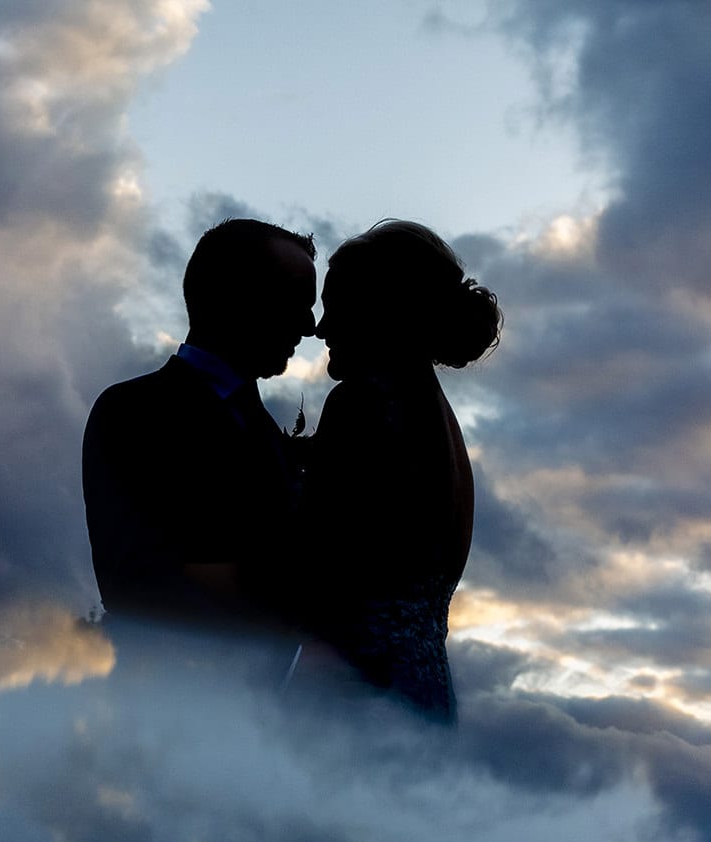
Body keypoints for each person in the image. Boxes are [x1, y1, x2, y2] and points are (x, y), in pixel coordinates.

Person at [283, 219, 502, 721]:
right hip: (422, 690)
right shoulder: (440, 422)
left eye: (335, 307)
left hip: (353, 691)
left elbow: (311, 560)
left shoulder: (361, 403)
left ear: (380, 312)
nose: (321, 328)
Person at [82, 219, 318, 635]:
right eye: (294, 300)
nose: (309, 326)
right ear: (231, 296)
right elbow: (134, 581)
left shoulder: (263, 428)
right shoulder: (130, 412)